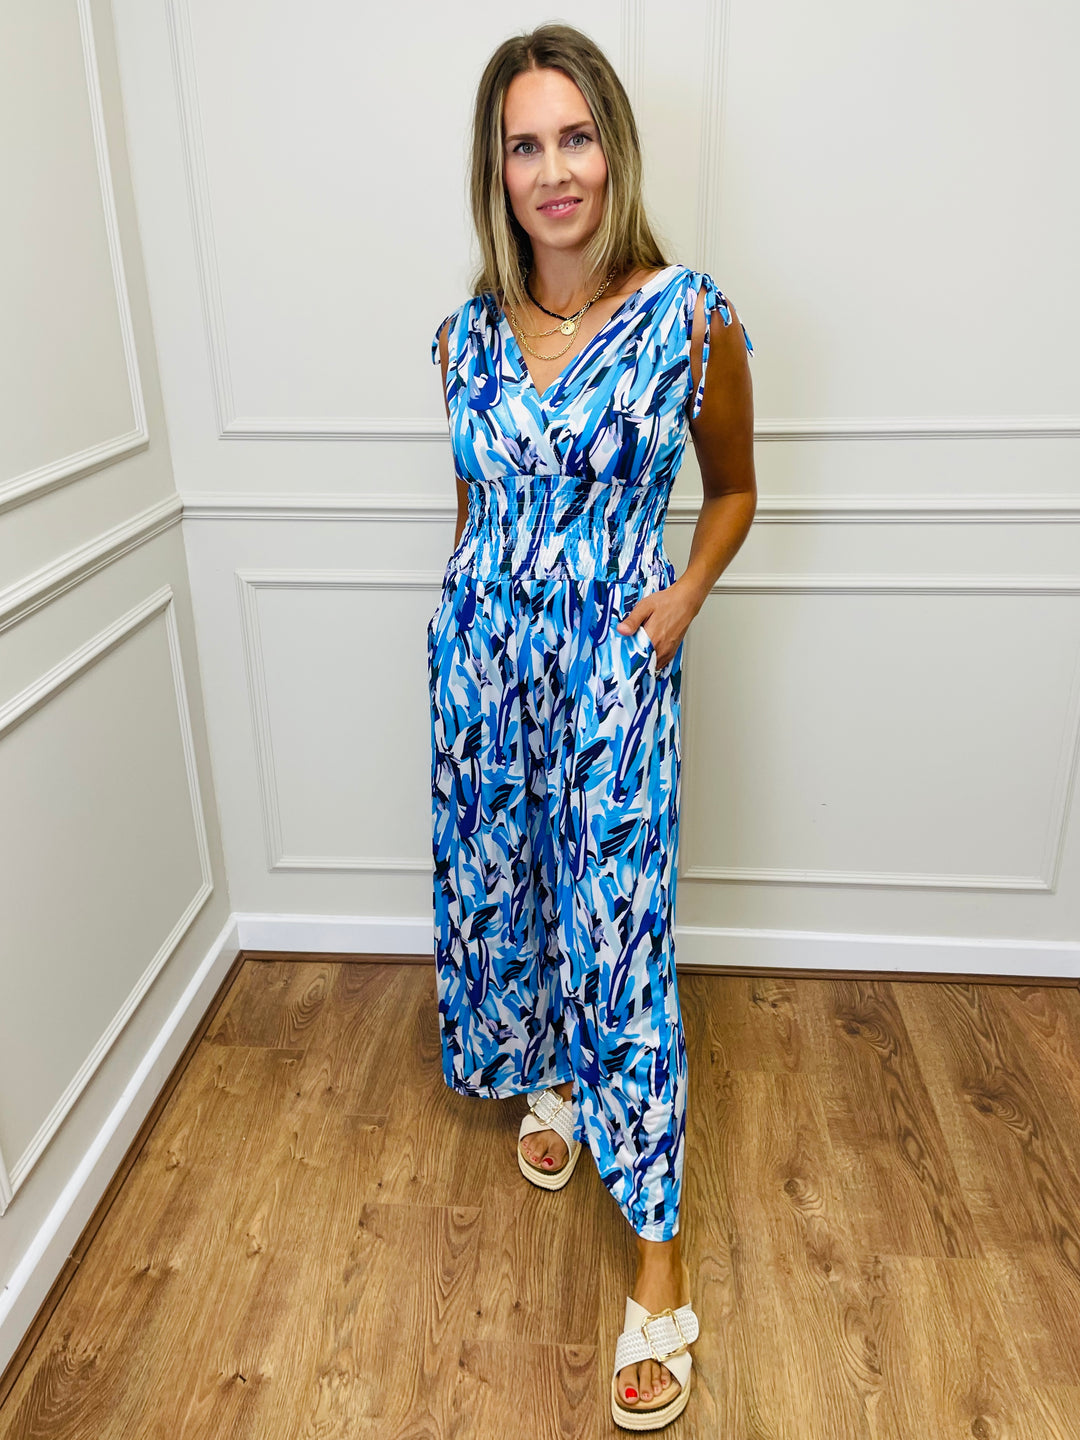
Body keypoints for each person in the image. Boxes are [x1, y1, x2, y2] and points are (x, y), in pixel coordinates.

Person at [427, 22, 755, 1432]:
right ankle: (551, 1074)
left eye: (575, 138)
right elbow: (475, 506)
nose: (553, 170)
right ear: (495, 171)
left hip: (613, 671)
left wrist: (681, 600)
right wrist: (460, 616)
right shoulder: (463, 339)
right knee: (514, 896)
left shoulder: (691, 318)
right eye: (525, 145)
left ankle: (659, 1255)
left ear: (612, 150)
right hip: (482, 675)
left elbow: (735, 489)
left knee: (620, 935)